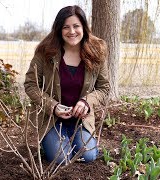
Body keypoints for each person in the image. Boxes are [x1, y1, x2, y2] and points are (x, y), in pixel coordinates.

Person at [24, 5, 110, 164]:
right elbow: (31, 85)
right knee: (61, 159)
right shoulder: (45, 52)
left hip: (81, 120)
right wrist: (53, 106)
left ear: (84, 27)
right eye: (66, 27)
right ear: (59, 29)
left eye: (76, 26)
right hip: (53, 120)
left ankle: (77, 138)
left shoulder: (97, 51)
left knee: (88, 156)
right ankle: (52, 141)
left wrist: (86, 102)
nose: (72, 31)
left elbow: (104, 88)